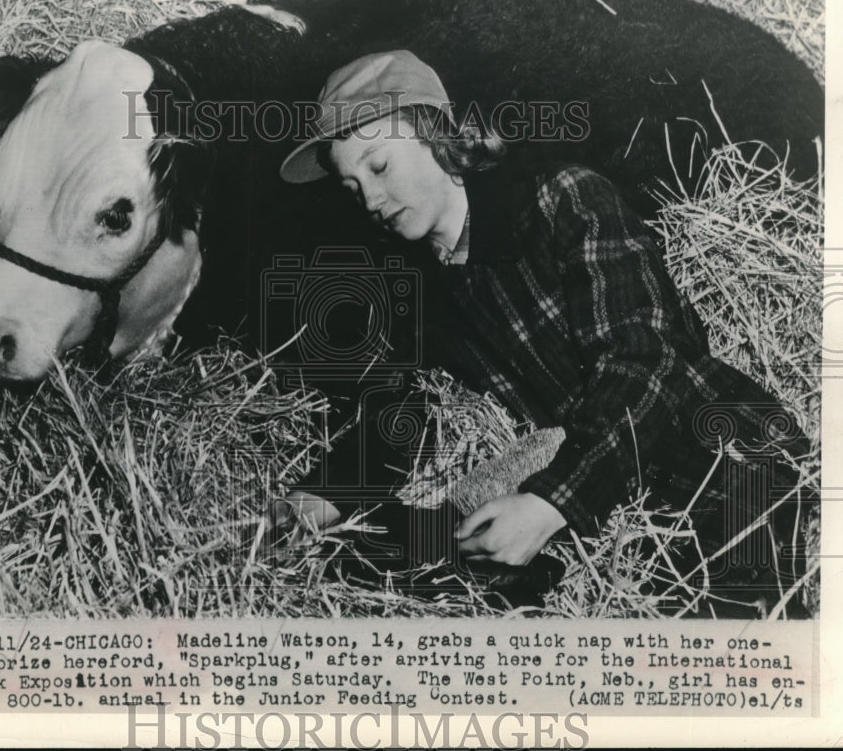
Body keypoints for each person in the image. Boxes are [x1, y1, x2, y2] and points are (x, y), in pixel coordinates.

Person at [271, 50, 813, 615]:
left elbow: (645, 360)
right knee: (375, 559)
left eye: (378, 166)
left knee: (729, 627)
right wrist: (324, 496)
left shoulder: (561, 199)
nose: (371, 201)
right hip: (602, 507)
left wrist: (549, 504)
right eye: (351, 186)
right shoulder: (421, 289)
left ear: (434, 134)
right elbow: (403, 412)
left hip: (717, 454)